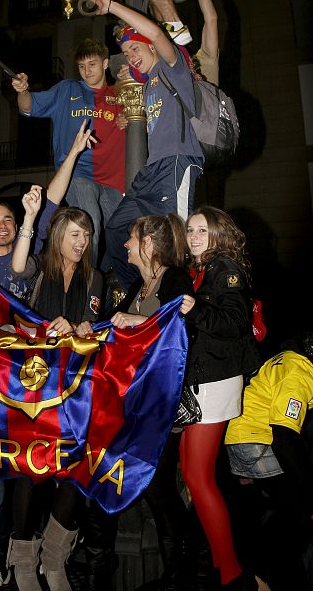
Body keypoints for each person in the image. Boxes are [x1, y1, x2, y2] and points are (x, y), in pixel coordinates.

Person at [0, 121, 95, 589]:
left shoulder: (28, 262)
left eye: (9, 220)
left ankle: (37, 556)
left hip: (36, 376)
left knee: (41, 466)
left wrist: (72, 150)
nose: (4, 225)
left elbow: (52, 199)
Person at [79, 213, 195, 591]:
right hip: (130, 409)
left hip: (159, 409)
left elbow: (177, 331)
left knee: (159, 488)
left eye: (131, 238)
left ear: (148, 242)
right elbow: (116, 329)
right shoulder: (136, 287)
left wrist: (137, 323)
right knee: (114, 478)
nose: (126, 246)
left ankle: (180, 572)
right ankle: (102, 569)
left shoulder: (175, 279)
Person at [5, 194, 103, 591]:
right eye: (76, 234)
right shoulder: (37, 270)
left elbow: (94, 328)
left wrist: (85, 329)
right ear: (60, 233)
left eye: (87, 236)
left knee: (79, 470)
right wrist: (47, 329)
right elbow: (15, 314)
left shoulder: (94, 278)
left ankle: (55, 557)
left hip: (76, 390)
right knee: (31, 469)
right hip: (33, 387)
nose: (82, 242)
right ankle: (22, 558)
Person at [83, 0, 204, 292]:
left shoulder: (172, 67)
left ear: (150, 47)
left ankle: (175, 298)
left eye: (135, 48)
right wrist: (128, 116)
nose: (130, 56)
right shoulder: (150, 84)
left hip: (177, 163)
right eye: (125, 52)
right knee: (116, 228)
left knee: (172, 240)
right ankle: (142, 291)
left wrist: (111, 6)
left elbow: (157, 34)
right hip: (151, 171)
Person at [178, 206, 261, 590]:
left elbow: (234, 321)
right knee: (196, 474)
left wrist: (195, 309)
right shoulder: (201, 270)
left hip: (216, 381)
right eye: (191, 230)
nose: (193, 236)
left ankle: (231, 573)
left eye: (202, 230)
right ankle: (220, 561)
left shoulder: (225, 266)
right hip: (205, 380)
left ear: (219, 234)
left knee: (198, 476)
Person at [11, 37, 127, 266]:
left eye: (92, 64)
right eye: (82, 66)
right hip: (77, 174)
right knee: (88, 226)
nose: (86, 71)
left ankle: (111, 286)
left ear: (105, 64)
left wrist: (128, 122)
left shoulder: (119, 94)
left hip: (114, 181)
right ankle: (85, 287)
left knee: (120, 236)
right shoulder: (67, 90)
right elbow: (27, 106)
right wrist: (22, 90)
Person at [225, 332, 313, 590]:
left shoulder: (288, 359)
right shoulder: (300, 374)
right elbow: (284, 437)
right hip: (256, 441)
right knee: (297, 513)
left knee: (280, 510)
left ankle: (260, 573)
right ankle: (267, 578)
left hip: (241, 437)